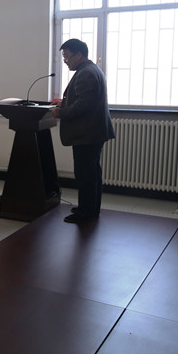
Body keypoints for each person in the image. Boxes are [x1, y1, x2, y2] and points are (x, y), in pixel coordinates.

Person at [51, 38, 115, 224]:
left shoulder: (86, 73)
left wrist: (61, 112)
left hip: (87, 133)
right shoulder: (91, 69)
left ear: (78, 54)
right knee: (92, 173)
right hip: (93, 131)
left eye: (67, 56)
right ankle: (91, 208)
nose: (65, 61)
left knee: (85, 174)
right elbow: (84, 99)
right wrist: (65, 103)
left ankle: (85, 212)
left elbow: (83, 105)